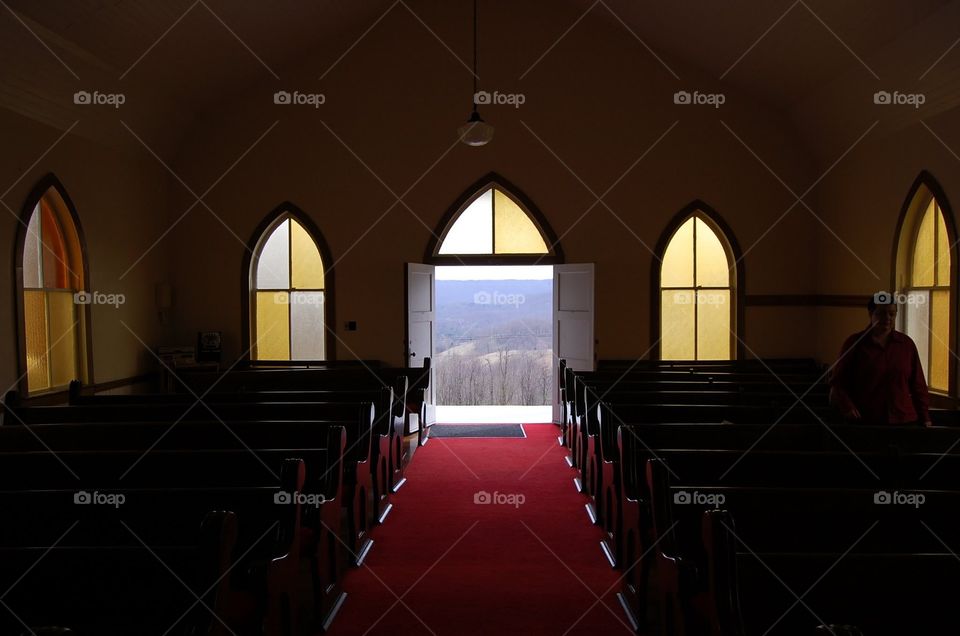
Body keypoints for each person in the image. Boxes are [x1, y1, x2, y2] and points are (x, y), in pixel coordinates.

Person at [829, 292, 932, 426]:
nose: (887, 318)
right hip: (867, 419)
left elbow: (918, 385)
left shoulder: (906, 344)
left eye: (892, 314)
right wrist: (847, 407)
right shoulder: (854, 343)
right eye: (881, 313)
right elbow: (837, 382)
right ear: (871, 314)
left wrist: (925, 417)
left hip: (903, 419)